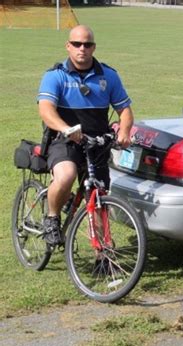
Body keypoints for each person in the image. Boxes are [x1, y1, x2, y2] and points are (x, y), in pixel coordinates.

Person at [37, 25, 133, 247]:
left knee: (98, 197)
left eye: (87, 44)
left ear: (94, 47)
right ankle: (52, 217)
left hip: (97, 144)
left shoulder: (108, 75)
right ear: (68, 46)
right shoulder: (56, 75)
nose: (82, 49)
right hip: (64, 141)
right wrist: (65, 128)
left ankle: (102, 253)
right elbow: (46, 110)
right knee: (66, 175)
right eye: (77, 44)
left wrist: (125, 131)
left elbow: (125, 110)